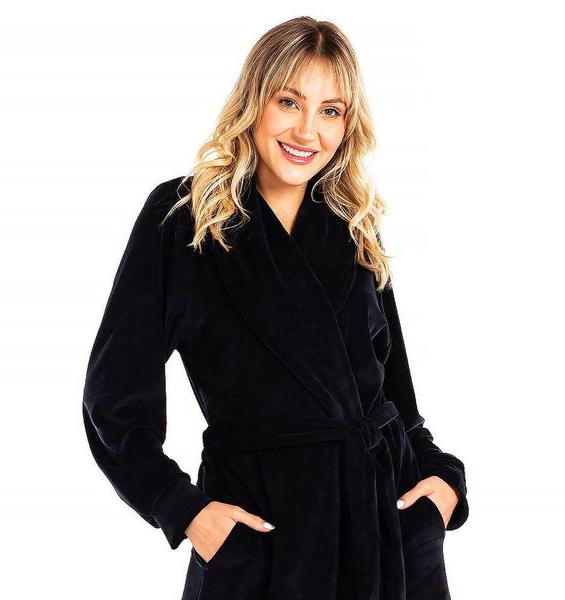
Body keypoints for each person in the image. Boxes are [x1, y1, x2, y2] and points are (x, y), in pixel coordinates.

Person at [82, 16, 469, 600]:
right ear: (254, 102)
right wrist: (181, 508)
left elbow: (396, 394)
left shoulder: (353, 226)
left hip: (385, 534)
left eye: (331, 110)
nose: (307, 130)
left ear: (348, 124)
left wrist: (442, 482)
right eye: (289, 101)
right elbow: (113, 398)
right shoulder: (185, 219)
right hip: (265, 540)